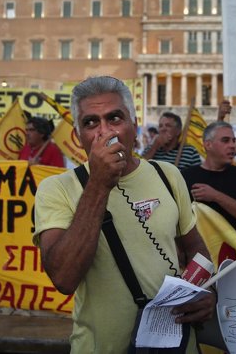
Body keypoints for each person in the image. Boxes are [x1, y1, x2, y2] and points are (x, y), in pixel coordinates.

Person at [33, 76, 214, 352]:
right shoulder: (56, 189)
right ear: (79, 135)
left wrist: (205, 292)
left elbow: (195, 248)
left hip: (176, 343)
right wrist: (98, 184)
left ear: (135, 125)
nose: (104, 132)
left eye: (115, 118)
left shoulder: (167, 175)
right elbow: (64, 278)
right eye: (91, 122)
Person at [182, 121, 236, 242]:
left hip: (233, 254)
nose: (232, 145)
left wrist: (216, 196)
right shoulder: (186, 176)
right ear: (208, 145)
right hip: (197, 254)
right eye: (225, 140)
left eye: (233, 141)